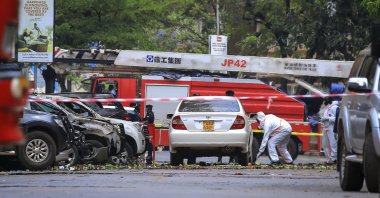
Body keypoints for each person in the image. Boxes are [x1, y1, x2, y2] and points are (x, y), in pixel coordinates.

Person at [217, 90, 236, 163]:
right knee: (232, 144)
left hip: (222, 126)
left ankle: (219, 160)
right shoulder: (235, 102)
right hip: (232, 126)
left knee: (220, 143)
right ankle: (231, 160)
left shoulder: (222, 102)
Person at [321, 97, 339, 165]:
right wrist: (322, 119)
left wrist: (328, 118)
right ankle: (328, 159)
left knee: (333, 143)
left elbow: (337, 118)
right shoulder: (327, 109)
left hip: (332, 127)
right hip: (325, 127)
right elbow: (325, 117)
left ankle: (334, 159)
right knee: (324, 144)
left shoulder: (335, 107)